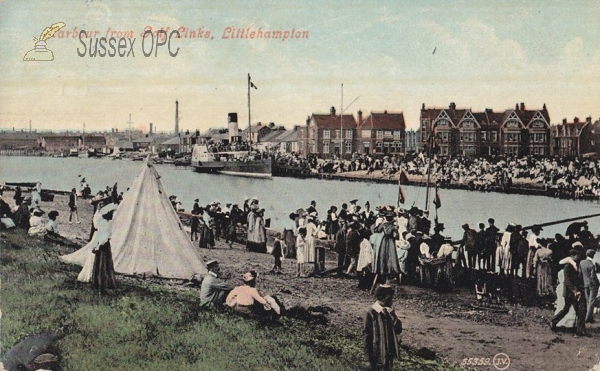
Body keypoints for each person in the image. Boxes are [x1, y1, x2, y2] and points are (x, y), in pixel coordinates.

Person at [364, 284, 403, 371]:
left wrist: (393, 316)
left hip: (388, 353)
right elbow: (367, 336)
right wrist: (368, 358)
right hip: (376, 353)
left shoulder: (389, 312)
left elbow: (398, 330)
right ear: (383, 298)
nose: (391, 301)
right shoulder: (371, 312)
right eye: (390, 298)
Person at [551, 249, 587, 336]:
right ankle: (554, 321)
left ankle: (580, 330)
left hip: (574, 292)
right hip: (569, 292)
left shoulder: (576, 265)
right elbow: (567, 281)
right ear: (572, 256)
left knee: (579, 311)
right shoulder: (568, 267)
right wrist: (575, 290)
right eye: (576, 256)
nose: (578, 257)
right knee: (568, 310)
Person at [90, 203, 118, 294]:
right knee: (104, 266)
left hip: (100, 245)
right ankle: (102, 286)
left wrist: (96, 245)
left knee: (99, 265)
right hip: (104, 247)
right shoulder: (107, 225)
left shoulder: (102, 223)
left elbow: (98, 236)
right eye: (111, 214)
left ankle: (97, 284)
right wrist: (98, 246)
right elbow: (105, 238)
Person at [579, 249, 600, 323]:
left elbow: (580, 274)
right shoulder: (592, 264)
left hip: (585, 283)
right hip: (593, 285)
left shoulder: (582, 262)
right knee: (592, 301)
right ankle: (587, 318)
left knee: (588, 300)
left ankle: (589, 317)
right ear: (593, 255)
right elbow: (593, 276)